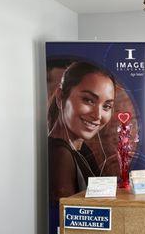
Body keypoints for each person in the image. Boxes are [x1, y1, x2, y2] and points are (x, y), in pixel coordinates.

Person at [47, 61, 116, 205]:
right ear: (61, 97)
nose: (98, 115)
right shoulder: (60, 155)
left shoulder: (80, 149)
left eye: (107, 106)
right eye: (89, 100)